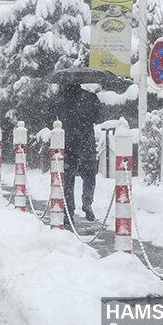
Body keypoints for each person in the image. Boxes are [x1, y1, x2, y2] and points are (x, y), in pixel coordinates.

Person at [50, 81, 102, 226]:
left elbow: (50, 120)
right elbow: (99, 118)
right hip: (86, 141)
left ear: (65, 84)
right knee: (89, 174)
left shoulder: (59, 99)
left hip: (67, 142)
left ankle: (69, 211)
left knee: (67, 177)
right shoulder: (90, 98)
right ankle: (87, 202)